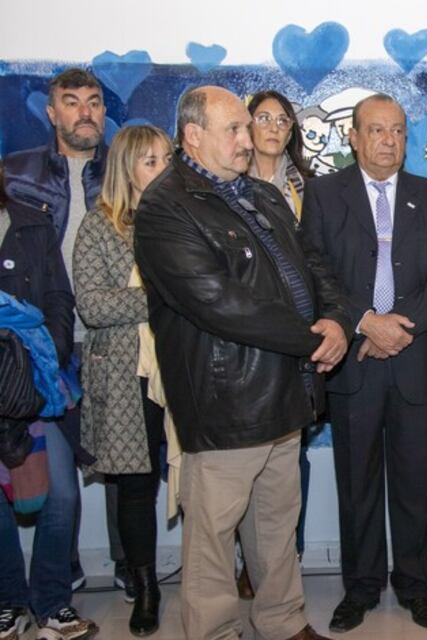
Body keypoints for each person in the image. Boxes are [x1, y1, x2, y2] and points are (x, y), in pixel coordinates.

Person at [134, 85, 352, 640]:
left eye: (245, 127)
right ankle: (212, 632)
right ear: (193, 136)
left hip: (285, 390)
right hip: (226, 400)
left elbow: (313, 263)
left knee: (277, 523)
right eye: (232, 129)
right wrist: (311, 337)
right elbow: (220, 303)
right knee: (213, 536)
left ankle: (281, 621)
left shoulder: (262, 194)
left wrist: (335, 320)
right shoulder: (165, 208)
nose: (246, 139)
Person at [302, 93, 427, 633]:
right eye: (376, 130)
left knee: (416, 482)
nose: (389, 140)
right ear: (353, 137)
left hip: (415, 360)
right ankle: (362, 587)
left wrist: (397, 327)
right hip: (354, 363)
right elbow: (314, 268)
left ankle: (415, 586)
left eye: (397, 130)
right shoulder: (324, 195)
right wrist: (364, 321)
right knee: (358, 484)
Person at [2, 67, 126, 595]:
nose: (84, 112)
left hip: (108, 339)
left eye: (94, 102)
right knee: (55, 477)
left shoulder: (121, 172)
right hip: (41, 348)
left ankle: (129, 566)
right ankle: (63, 571)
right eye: (71, 102)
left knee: (121, 456)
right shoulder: (15, 172)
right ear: (52, 113)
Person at [73, 125, 172, 636]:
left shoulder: (178, 222)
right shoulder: (99, 226)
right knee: (135, 488)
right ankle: (146, 588)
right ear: (126, 168)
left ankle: (207, 580)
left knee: (196, 479)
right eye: (150, 161)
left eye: (166, 159)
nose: (161, 170)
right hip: (124, 373)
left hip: (179, 368)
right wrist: (160, 293)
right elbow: (92, 305)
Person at [0, 160, 97, 640]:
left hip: (35, 383)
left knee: (60, 492)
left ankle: (53, 603)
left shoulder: (31, 223)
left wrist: (53, 350)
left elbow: (60, 297)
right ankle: (8, 603)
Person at [238, 87, 316, 600]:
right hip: (243, 340)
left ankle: (288, 561)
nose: (272, 126)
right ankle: (247, 561)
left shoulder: (310, 189)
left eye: (282, 119)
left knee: (294, 459)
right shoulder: (226, 185)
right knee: (241, 461)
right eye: (262, 117)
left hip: (300, 341)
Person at [248, 89, 313, 218]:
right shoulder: (231, 184)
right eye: (264, 119)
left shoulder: (310, 188)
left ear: (289, 135)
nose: (274, 129)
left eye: (282, 121)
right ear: (248, 127)